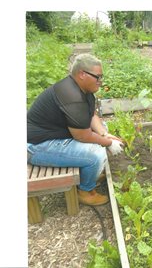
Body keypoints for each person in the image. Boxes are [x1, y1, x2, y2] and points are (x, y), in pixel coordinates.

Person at [27, 53, 124, 206]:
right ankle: (85, 191)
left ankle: (88, 174)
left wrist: (106, 134)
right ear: (82, 74)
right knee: (96, 155)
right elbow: (82, 136)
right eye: (97, 77)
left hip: (57, 135)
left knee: (102, 129)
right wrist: (108, 143)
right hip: (37, 146)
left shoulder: (83, 90)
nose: (101, 81)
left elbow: (91, 115)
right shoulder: (70, 95)